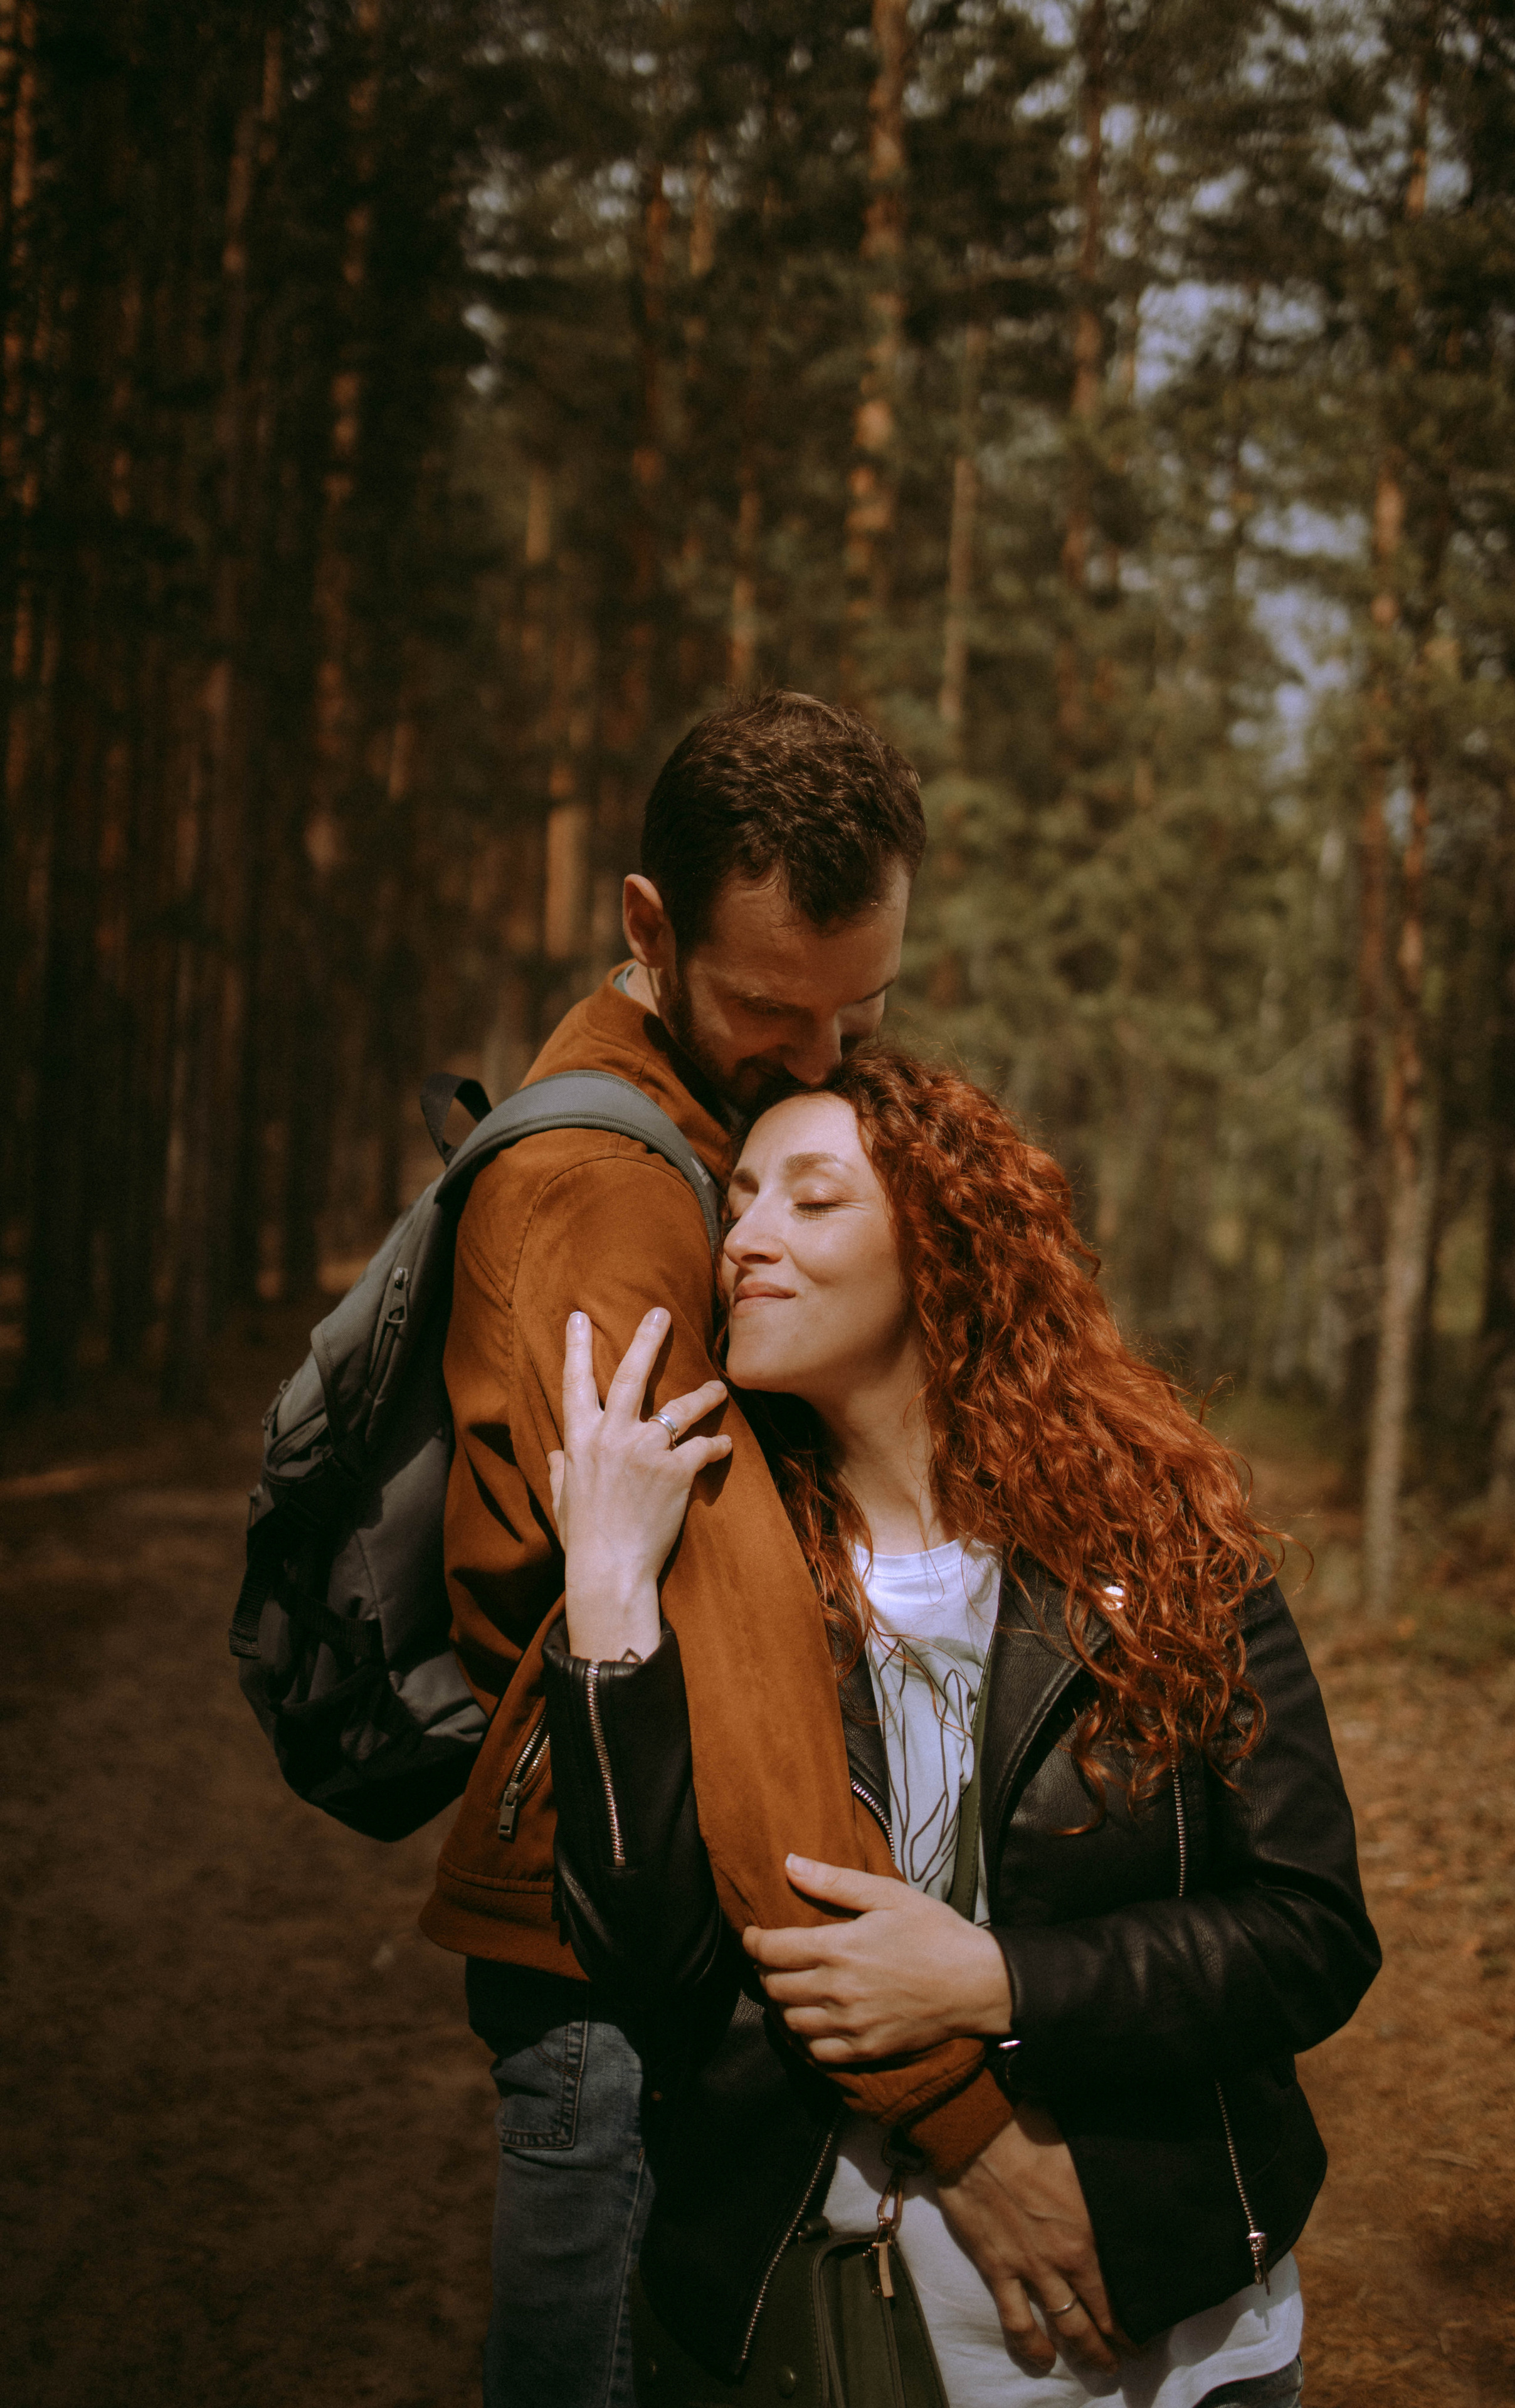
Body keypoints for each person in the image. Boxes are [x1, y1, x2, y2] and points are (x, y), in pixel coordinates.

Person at [539, 1047, 1381, 2408]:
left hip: (1183, 2340)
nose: (743, 1241)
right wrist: (607, 1588)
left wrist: (996, 1981)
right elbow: (649, 1963)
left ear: (945, 1250)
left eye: (810, 1203)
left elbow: (1308, 1934)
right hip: (841, 2338)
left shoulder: (1161, 1550)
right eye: (736, 1201)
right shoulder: (721, 1564)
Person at [422, 695, 1036, 2408]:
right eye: (774, 1010)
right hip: (607, 1975)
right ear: (647, 930)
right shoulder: (611, 1194)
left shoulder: (710, 1127)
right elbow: (735, 1642)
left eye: (868, 1009)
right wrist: (960, 2120)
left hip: (682, 1915)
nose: (828, 1063)